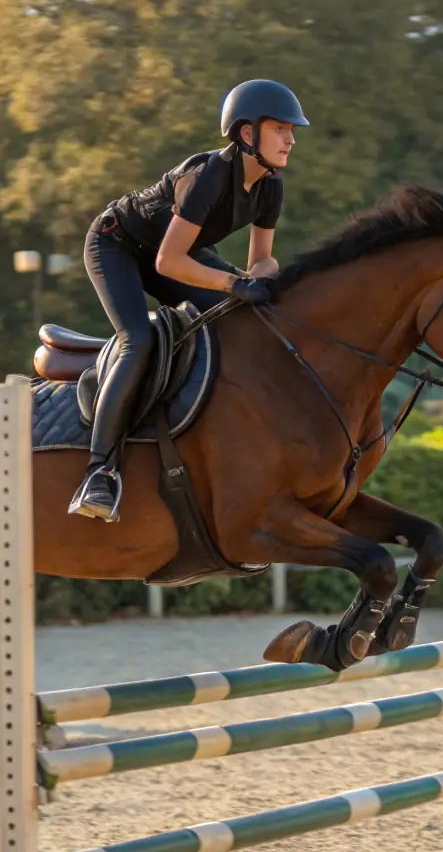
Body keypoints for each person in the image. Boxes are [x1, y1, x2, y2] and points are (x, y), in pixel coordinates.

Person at [68, 79, 309, 522]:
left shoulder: (271, 187)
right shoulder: (208, 177)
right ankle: (98, 473)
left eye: (292, 129)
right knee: (136, 340)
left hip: (177, 252)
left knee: (246, 317)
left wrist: (268, 281)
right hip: (118, 244)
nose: (291, 138)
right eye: (280, 128)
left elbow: (261, 261)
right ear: (246, 133)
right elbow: (167, 262)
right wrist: (233, 284)